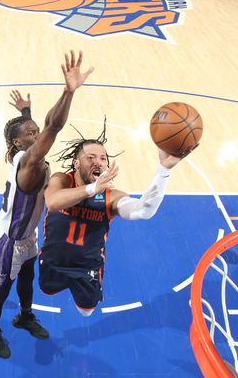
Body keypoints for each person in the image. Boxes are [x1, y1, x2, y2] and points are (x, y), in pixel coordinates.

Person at [0, 51, 94, 359]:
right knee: (2, 289)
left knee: (28, 278)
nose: (37, 134)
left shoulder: (26, 152)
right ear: (19, 143)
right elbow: (52, 128)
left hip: (26, 237)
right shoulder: (29, 164)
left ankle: (25, 315)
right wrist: (68, 92)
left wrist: (26, 111)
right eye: (31, 133)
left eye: (35, 130)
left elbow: (36, 128)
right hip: (7, 242)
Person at [38, 130, 196, 315]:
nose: (98, 162)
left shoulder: (111, 197)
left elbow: (143, 211)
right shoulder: (62, 179)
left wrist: (164, 170)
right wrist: (91, 189)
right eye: (91, 157)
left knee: (86, 311)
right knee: (47, 290)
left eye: (103, 158)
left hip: (87, 267)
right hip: (52, 260)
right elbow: (53, 201)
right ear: (76, 163)